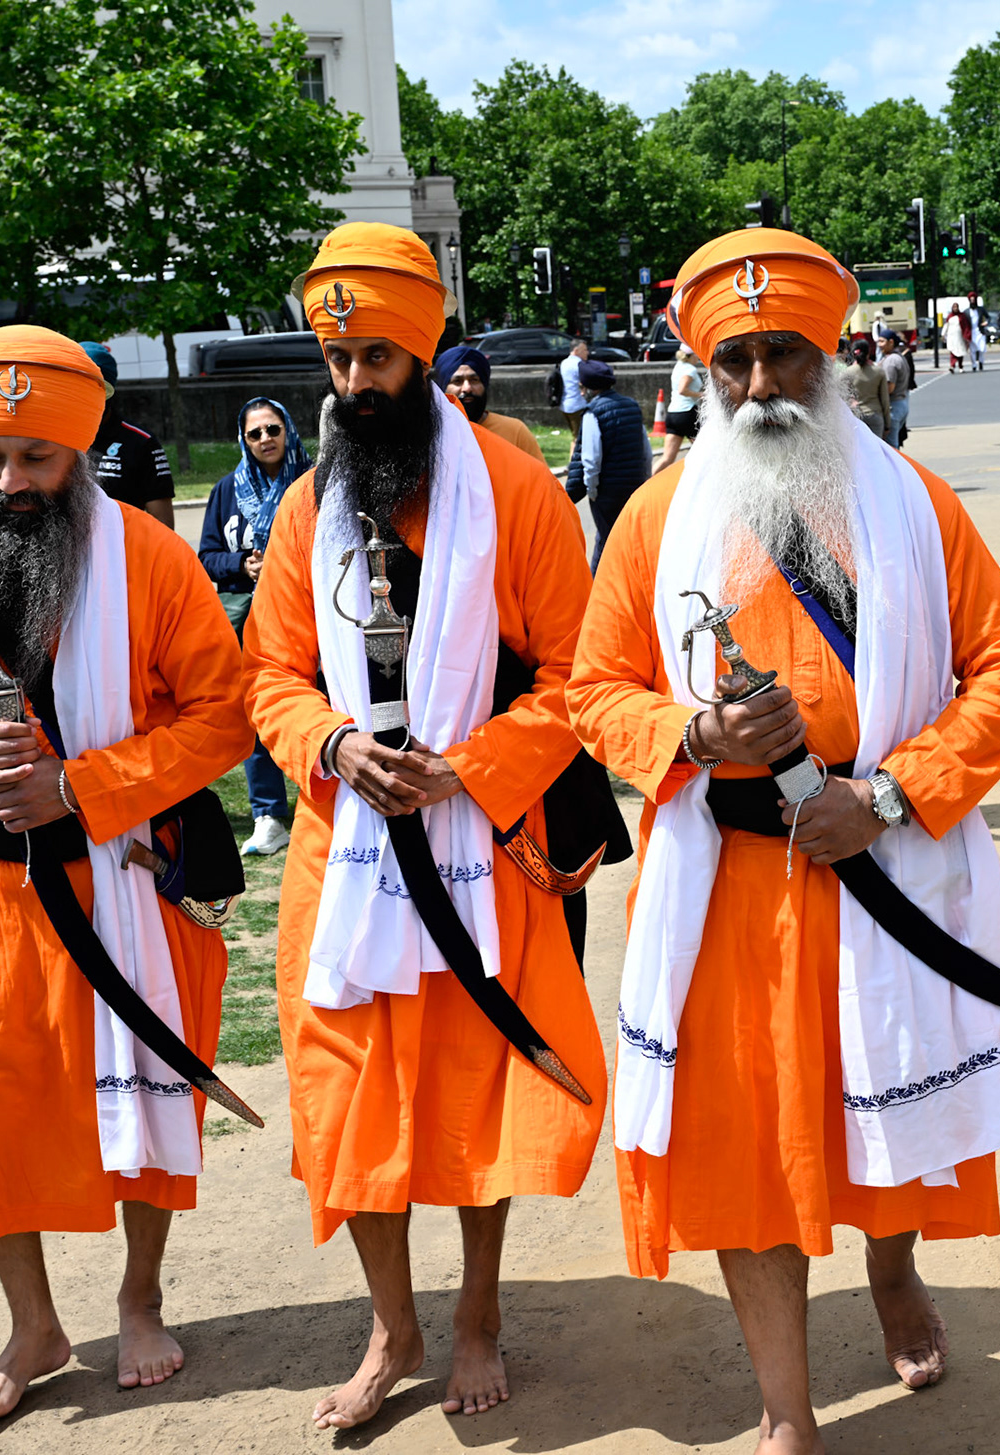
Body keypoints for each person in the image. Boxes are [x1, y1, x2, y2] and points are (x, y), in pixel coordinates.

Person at [568, 226, 1000, 1455]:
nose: (760, 387)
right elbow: (595, 689)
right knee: (746, 1150)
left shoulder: (913, 501)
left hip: (880, 860)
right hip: (724, 886)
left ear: (827, 353)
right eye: (733, 361)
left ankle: (892, 1270)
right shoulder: (653, 518)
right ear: (701, 368)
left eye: (784, 355)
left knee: (877, 1113)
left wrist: (887, 795)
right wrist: (690, 735)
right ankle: (789, 1413)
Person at [243, 222, 621, 1430]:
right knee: (351, 1104)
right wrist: (334, 745)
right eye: (338, 364)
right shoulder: (309, 508)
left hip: (483, 849)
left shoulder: (516, 492)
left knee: (477, 1098)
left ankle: (475, 1316)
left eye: (378, 364)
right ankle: (393, 1328)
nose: (355, 388)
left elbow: (580, 673)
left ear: (425, 354)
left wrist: (469, 767)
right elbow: (272, 677)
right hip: (344, 854)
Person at [0, 325, 254, 1423]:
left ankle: (139, 1298)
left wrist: (82, 787)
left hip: (119, 880)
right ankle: (32, 1326)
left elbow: (224, 717)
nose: (9, 482)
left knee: (145, 1097)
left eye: (35, 459)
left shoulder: (155, 561)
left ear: (78, 453)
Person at [199, 396, 312, 856]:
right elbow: (207, 555)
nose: (266, 439)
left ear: (287, 430)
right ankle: (268, 815)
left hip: (308, 612)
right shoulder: (227, 490)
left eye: (273, 429)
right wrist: (241, 565)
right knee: (261, 708)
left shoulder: (315, 480)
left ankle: (321, 805)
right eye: (255, 433)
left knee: (321, 703)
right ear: (243, 440)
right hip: (254, 619)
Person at [567, 357, 651, 568]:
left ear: (587, 388)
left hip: (607, 493)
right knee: (630, 540)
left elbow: (591, 459)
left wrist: (592, 490)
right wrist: (645, 480)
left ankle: (598, 589)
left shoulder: (593, 413)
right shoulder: (632, 405)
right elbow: (646, 450)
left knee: (605, 542)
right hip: (634, 486)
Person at [78, 343, 175, 528]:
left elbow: (164, 527)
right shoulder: (53, 439)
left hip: (122, 553)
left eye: (95, 389)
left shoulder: (141, 443)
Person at [432, 346, 546, 464]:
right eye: (457, 381)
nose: (467, 388)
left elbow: (542, 479)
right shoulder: (432, 434)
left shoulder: (515, 431)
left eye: (474, 380)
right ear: (442, 387)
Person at [656, 343, 706, 473]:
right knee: (704, 453)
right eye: (697, 354)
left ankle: (646, 480)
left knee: (667, 458)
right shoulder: (690, 369)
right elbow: (682, 389)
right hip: (687, 413)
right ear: (690, 356)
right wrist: (701, 395)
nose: (698, 357)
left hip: (673, 414)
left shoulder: (678, 367)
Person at [845, 335, 893, 440]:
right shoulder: (878, 372)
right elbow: (885, 400)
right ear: (868, 353)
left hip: (856, 416)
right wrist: (887, 424)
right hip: (875, 414)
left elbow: (840, 394)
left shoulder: (847, 372)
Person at [880, 333, 913, 446]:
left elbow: (890, 388)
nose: (879, 345)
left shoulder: (891, 361)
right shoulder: (899, 357)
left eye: (882, 341)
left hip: (894, 406)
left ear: (891, 342)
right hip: (902, 403)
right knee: (894, 443)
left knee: (891, 446)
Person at [558, 337, 591, 422]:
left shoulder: (564, 363)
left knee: (575, 433)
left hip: (565, 404)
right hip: (577, 404)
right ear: (576, 351)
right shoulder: (579, 364)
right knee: (581, 433)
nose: (587, 352)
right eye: (584, 350)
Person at [965, 293, 991, 371]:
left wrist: (986, 322)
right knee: (972, 350)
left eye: (974, 300)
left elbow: (988, 317)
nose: (972, 301)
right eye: (971, 300)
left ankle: (981, 362)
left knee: (981, 348)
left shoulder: (981, 309)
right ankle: (974, 365)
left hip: (980, 331)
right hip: (971, 332)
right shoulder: (966, 311)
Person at [943, 305, 967, 373]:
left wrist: (966, 335)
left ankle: (960, 366)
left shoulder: (962, 316)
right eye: (954, 308)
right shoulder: (950, 316)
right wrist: (943, 334)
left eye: (956, 307)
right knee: (953, 352)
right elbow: (946, 325)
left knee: (960, 352)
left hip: (960, 337)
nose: (955, 309)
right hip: (952, 337)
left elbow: (965, 326)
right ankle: (952, 366)